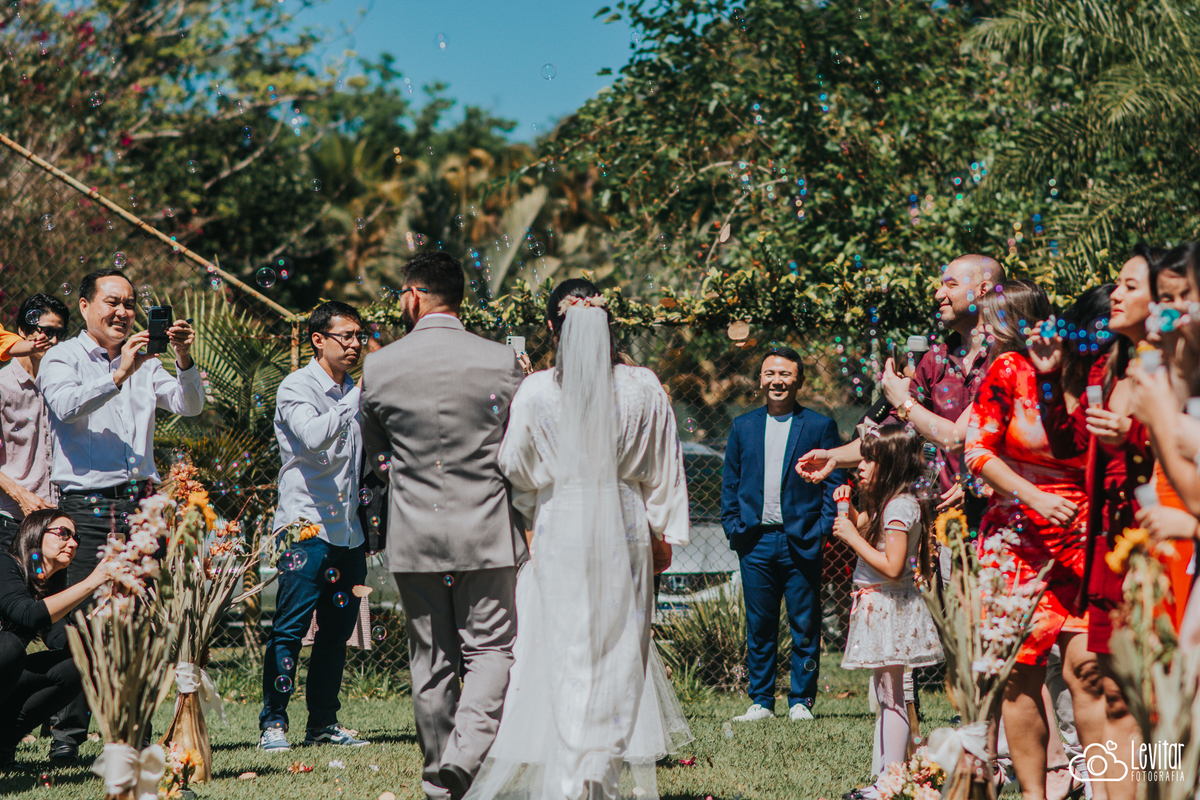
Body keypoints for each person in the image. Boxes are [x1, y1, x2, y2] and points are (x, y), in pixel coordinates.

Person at [463, 279, 690, 800]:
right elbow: (663, 463)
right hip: (626, 518)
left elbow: (514, 465)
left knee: (567, 649)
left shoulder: (538, 390)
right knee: (622, 652)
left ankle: (572, 778)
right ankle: (599, 772)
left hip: (561, 519)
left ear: (552, 327)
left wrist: (538, 500)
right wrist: (662, 528)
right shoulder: (642, 385)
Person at [360, 251, 526, 800]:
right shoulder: (502, 361)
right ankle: (465, 757)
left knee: (430, 662)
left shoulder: (379, 367)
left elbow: (375, 453)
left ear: (413, 295)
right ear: (459, 297)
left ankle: (440, 779)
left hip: (415, 533)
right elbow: (519, 448)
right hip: (487, 529)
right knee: (491, 650)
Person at [37, 268, 202, 760]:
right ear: (85, 306)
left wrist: (183, 358)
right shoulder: (62, 357)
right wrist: (117, 376)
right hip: (85, 508)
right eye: (112, 302)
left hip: (142, 505)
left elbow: (189, 406)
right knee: (83, 623)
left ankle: (133, 730)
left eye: (130, 303)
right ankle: (67, 738)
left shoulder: (147, 361)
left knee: (141, 619)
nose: (124, 312)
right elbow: (66, 407)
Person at [964, 279, 1106, 800]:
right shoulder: (1011, 370)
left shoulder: (1105, 378)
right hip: (1016, 544)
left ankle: (1100, 788)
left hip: (1085, 543)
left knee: (1086, 672)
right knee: (1018, 675)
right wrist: (1035, 496)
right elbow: (978, 452)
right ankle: (1033, 793)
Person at [797, 255, 1006, 527]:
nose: (938, 293)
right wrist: (833, 457)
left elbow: (973, 439)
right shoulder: (934, 362)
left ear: (984, 290)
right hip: (948, 523)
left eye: (951, 285)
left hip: (1006, 515)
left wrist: (903, 401)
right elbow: (893, 432)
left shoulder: (1010, 357)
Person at [256, 300, 370, 752]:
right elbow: (314, 435)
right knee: (289, 630)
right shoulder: (296, 387)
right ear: (318, 339)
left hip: (349, 531)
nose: (356, 344)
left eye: (360, 336)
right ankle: (273, 723)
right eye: (346, 336)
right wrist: (360, 395)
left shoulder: (357, 391)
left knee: (336, 636)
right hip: (305, 528)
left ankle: (323, 722)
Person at [722, 346, 844, 723]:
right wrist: (734, 526)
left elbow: (834, 480)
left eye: (786, 374)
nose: (777, 380)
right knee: (759, 625)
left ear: (799, 381)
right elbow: (731, 482)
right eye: (770, 373)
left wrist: (822, 529)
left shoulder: (819, 426)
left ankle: (800, 701)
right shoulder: (743, 426)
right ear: (761, 380)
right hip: (755, 541)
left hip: (801, 539)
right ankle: (761, 700)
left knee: (805, 624)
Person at [831, 425, 941, 787]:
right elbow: (865, 530)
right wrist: (847, 508)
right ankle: (885, 776)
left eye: (869, 458)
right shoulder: (889, 503)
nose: (860, 465)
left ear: (890, 463)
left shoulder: (899, 507)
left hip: (889, 605)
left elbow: (893, 567)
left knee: (892, 699)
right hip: (878, 605)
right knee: (886, 696)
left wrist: (849, 537)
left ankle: (890, 781)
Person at [0, 510, 109, 770]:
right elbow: (27, 616)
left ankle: (2, 747)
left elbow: (63, 640)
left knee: (77, 665)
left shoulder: (45, 587)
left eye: (75, 538)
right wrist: (93, 581)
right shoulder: (5, 564)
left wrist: (95, 624)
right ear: (36, 533)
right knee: (9, 647)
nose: (72, 543)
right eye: (63, 533)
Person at [0, 295, 70, 550]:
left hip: (58, 519)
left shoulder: (67, 385)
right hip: (11, 518)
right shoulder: (2, 385)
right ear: (22, 330)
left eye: (59, 334)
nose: (52, 341)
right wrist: (20, 495)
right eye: (45, 331)